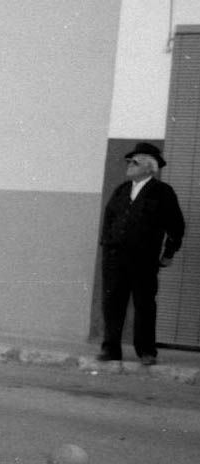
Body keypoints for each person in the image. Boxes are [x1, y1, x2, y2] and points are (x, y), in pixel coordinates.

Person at [98, 142, 186, 365]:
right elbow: (108, 219)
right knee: (112, 302)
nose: (129, 165)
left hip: (143, 259)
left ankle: (146, 351)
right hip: (115, 258)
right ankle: (111, 349)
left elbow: (176, 225)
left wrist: (169, 252)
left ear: (149, 167)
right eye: (129, 161)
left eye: (134, 162)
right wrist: (107, 245)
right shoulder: (122, 190)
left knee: (144, 304)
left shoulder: (162, 193)